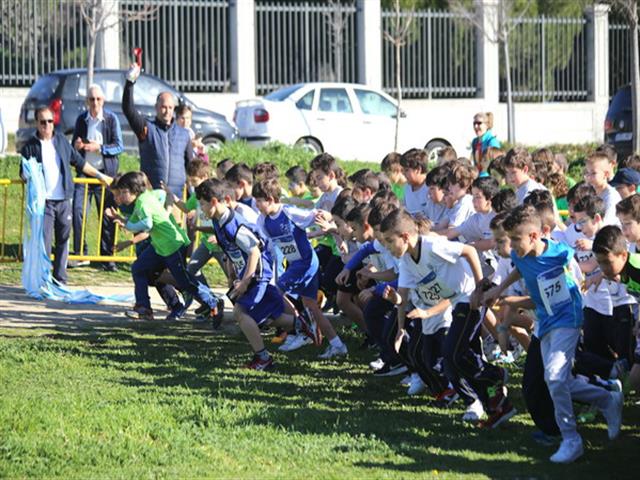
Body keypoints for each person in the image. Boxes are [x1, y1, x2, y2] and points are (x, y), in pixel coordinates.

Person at [485, 205, 623, 464]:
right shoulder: (521, 254)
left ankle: (571, 439)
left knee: (555, 377)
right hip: (545, 321)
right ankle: (607, 399)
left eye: (516, 239)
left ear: (536, 236)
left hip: (568, 319)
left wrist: (579, 282)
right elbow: (520, 267)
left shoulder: (559, 253)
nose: (512, 245)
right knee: (555, 380)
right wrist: (499, 289)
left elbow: (579, 269)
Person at [195, 178, 316, 371]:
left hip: (258, 270)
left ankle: (263, 358)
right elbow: (233, 251)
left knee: (240, 313)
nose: (200, 209)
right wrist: (234, 271)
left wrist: (245, 281)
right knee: (266, 315)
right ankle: (302, 323)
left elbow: (254, 251)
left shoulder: (233, 223)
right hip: (250, 270)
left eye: (202, 203)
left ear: (216, 201)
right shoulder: (218, 221)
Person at [107, 171, 222, 323]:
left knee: (184, 281)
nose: (121, 196)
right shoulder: (143, 199)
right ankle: (144, 308)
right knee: (139, 268)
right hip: (160, 246)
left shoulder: (143, 202)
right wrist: (121, 219)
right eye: (120, 192)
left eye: (124, 192)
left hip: (172, 245)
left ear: (134, 190)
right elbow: (136, 219)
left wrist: (127, 225)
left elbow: (146, 224)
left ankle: (213, 302)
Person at [253, 177, 348, 359]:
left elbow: (316, 215)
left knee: (276, 292)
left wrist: (333, 223)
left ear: (271, 199)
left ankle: (302, 329)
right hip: (295, 263)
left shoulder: (288, 213)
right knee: (311, 306)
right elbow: (268, 244)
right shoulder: (262, 220)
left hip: (305, 262)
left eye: (259, 201)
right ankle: (337, 344)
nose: (256, 204)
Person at [20, 106, 112, 284]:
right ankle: (43, 279)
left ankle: (60, 279)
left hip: (63, 200)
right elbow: (22, 174)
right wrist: (27, 173)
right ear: (37, 124)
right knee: (45, 242)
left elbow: (80, 163)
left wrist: (101, 176)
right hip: (43, 203)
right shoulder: (30, 146)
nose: (47, 125)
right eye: (43, 122)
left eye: (50, 121)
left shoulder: (61, 141)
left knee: (63, 240)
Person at [70, 84, 124, 271]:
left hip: (106, 176)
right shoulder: (81, 120)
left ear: (103, 101)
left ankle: (107, 257)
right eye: (92, 99)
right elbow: (73, 146)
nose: (95, 103)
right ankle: (80, 253)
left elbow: (119, 146)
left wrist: (99, 148)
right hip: (84, 174)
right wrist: (78, 146)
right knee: (77, 212)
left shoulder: (111, 119)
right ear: (87, 101)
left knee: (108, 216)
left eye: (98, 99)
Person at [122, 63, 192, 198]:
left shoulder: (184, 134)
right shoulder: (147, 128)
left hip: (176, 198)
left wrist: (192, 199)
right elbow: (128, 109)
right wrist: (130, 82)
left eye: (170, 108)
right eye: (163, 107)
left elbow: (190, 167)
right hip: (152, 196)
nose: (167, 111)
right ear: (156, 107)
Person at [593, 225, 640, 395]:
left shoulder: (637, 268)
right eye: (599, 263)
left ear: (624, 255)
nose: (603, 268)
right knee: (635, 380)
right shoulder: (624, 273)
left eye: (607, 262)